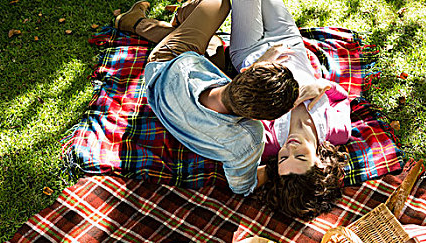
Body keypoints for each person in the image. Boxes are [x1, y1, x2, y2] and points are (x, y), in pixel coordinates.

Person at [114, 0, 300, 196]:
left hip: (165, 71)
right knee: (215, 46)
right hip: (171, 103)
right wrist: (280, 169)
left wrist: (260, 64)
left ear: (244, 71)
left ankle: (139, 21)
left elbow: (187, 59)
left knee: (221, 3)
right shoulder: (249, 140)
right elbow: (243, 187)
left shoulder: (185, 68)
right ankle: (180, 21)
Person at [228, 0, 353, 219]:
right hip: (290, 43)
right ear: (321, 163)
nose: (289, 148)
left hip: (251, 52)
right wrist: (320, 86)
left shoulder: (269, 143)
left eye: (284, 158)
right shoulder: (338, 131)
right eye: (301, 156)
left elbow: (246, 99)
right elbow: (341, 97)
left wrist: (292, 98)